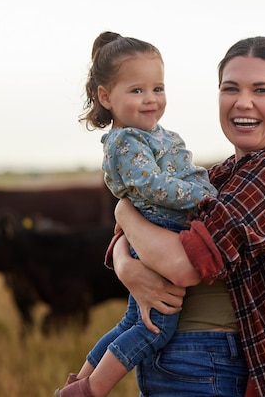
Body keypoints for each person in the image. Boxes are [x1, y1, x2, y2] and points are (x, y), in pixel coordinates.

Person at [107, 36, 265, 396]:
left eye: (261, 90)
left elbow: (182, 264)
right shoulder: (219, 175)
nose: (242, 102)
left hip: (210, 364)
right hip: (172, 355)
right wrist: (128, 267)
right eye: (230, 88)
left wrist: (123, 208)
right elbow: (139, 233)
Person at [55, 31, 217, 397]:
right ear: (105, 96)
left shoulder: (152, 134)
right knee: (155, 326)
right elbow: (154, 186)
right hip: (160, 226)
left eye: (157, 89)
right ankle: (92, 390)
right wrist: (203, 196)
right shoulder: (127, 140)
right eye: (137, 90)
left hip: (154, 226)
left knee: (132, 318)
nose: (151, 99)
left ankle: (78, 382)